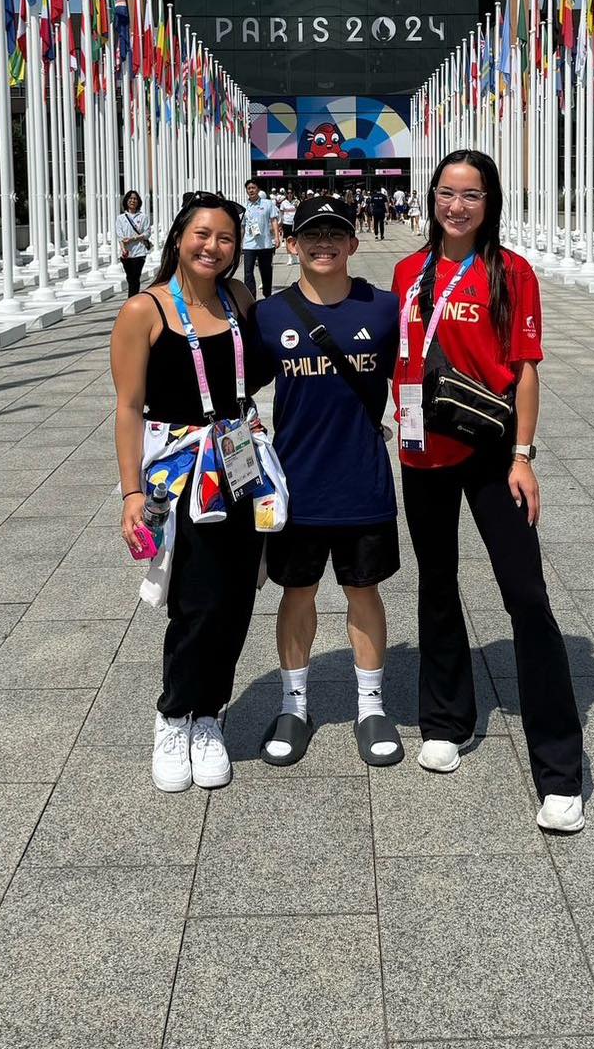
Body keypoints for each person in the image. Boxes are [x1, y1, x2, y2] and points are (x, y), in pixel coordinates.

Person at [391, 149, 585, 834]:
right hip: (422, 454)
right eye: (448, 192)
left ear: (490, 202)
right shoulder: (408, 272)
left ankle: (560, 771)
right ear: (432, 197)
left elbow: (525, 371)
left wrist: (525, 455)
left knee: (526, 597)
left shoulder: (512, 273)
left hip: (492, 453)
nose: (458, 205)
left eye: (472, 195)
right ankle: (445, 718)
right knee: (436, 583)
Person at [111, 192, 270, 794]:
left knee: (235, 596)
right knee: (195, 599)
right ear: (178, 238)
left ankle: (210, 716)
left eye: (226, 238)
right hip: (180, 469)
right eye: (202, 235)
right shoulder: (144, 311)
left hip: (238, 460)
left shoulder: (238, 300)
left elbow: (256, 371)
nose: (213, 247)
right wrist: (131, 494)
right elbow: (127, 408)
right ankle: (174, 715)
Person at [253, 196, 403, 768]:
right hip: (296, 486)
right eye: (311, 234)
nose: (323, 244)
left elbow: (414, 376)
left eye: (335, 234)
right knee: (298, 593)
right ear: (291, 242)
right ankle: (295, 705)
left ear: (353, 243)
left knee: (364, 590)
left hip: (362, 480)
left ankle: (370, 705)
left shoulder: (382, 308)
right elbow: (234, 385)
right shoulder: (271, 314)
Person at [241, 180, 280, 299]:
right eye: (249, 188)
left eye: (253, 188)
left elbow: (274, 221)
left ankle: (267, 295)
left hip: (265, 244)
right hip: (249, 245)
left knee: (266, 271)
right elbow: (242, 226)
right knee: (248, 273)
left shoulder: (268, 204)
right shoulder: (244, 206)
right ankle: (251, 297)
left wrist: (277, 237)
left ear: (258, 189)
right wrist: (239, 242)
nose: (251, 190)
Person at [115, 190, 151, 298]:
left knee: (135, 277)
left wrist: (134, 238)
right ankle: (133, 299)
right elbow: (120, 235)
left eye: (135, 199)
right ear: (126, 201)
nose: (132, 201)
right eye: (130, 198)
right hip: (126, 253)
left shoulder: (143, 217)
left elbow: (147, 233)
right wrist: (123, 249)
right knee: (130, 278)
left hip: (139, 252)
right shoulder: (120, 218)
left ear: (138, 201)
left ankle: (132, 300)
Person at [279, 190, 298, 263]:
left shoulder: (296, 201)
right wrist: (280, 223)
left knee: (295, 240)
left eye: (291, 193)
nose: (289, 194)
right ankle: (290, 258)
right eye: (288, 193)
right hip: (286, 223)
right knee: (288, 240)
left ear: (293, 193)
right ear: (286, 194)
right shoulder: (283, 203)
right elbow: (281, 213)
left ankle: (295, 256)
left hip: (294, 223)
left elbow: (299, 211)